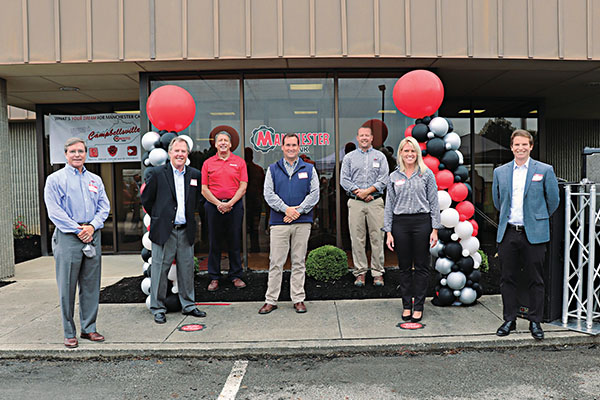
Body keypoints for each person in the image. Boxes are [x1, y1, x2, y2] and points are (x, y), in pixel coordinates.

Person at [492, 129, 559, 340]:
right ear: (511, 147)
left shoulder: (545, 170)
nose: (520, 148)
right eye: (516, 145)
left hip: (535, 234)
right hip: (509, 232)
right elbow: (497, 200)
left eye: (524, 145)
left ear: (531, 146)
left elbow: (553, 201)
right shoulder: (500, 172)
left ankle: (535, 321)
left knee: (535, 279)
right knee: (507, 278)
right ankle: (509, 319)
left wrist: (537, 219)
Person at [44, 137, 110, 348]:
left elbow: (104, 206)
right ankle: (69, 332)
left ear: (86, 153)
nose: (77, 155)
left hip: (92, 234)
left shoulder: (95, 180)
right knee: (67, 286)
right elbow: (54, 212)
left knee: (91, 285)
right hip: (68, 237)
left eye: (80, 151)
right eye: (72, 151)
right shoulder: (54, 180)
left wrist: (91, 226)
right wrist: (77, 229)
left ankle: (89, 328)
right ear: (65, 154)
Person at [141, 137, 206, 324]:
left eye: (183, 151)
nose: (180, 154)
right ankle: (158, 308)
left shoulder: (194, 174)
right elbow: (147, 200)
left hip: (185, 230)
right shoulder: (157, 173)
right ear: (169, 153)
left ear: (188, 154)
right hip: (164, 230)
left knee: (186, 270)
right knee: (160, 270)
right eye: (176, 151)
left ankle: (189, 305)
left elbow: (197, 201)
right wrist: (160, 217)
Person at [258, 133, 319, 315]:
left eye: (294, 145)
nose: (291, 148)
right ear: (282, 147)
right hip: (279, 222)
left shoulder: (309, 169)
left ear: (299, 148)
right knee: (276, 262)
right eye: (288, 145)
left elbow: (314, 194)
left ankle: (298, 299)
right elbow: (268, 194)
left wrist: (297, 211)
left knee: (299, 261)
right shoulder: (273, 169)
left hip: (302, 222)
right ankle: (271, 300)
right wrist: (287, 210)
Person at [384, 136, 441, 323]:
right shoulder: (393, 177)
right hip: (400, 224)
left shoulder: (427, 174)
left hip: (422, 223)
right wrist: (389, 231)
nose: (409, 154)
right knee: (405, 268)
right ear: (400, 153)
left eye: (412, 150)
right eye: (406, 150)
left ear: (418, 153)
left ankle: (419, 306)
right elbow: (389, 205)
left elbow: (434, 203)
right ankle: (406, 305)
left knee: (422, 267)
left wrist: (435, 229)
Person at [340, 125, 389, 287]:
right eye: (361, 136)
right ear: (357, 137)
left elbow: (384, 179)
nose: (364, 138)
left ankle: (377, 273)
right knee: (357, 239)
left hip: (375, 202)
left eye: (367, 135)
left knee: (377, 238)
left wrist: (368, 191)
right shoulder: (349, 158)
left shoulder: (380, 157)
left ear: (372, 138)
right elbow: (344, 180)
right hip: (355, 203)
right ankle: (360, 273)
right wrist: (358, 192)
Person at [201, 132, 248, 291]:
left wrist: (230, 203)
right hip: (213, 207)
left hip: (234, 206)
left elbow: (243, 186)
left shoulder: (239, 162)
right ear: (215, 144)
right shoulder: (208, 163)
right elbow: (204, 188)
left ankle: (235, 275)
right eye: (219, 140)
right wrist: (218, 204)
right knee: (214, 242)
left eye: (225, 141)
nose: (222, 143)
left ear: (230, 144)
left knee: (234, 241)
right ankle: (214, 277)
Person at [244, 147, 265, 252]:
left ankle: (245, 248)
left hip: (248, 202)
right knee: (254, 227)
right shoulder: (258, 169)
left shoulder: (242, 169)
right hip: (255, 201)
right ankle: (255, 248)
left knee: (244, 227)